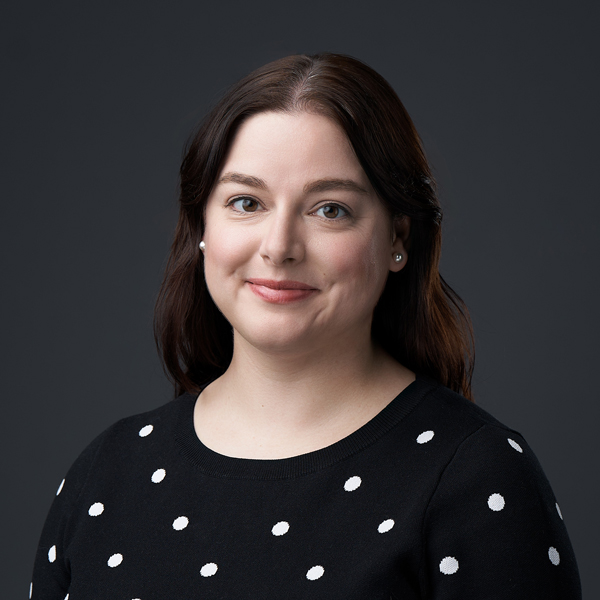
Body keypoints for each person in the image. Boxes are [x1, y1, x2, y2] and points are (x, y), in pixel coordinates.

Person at [30, 53, 581, 599]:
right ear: (202, 226)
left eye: (329, 209)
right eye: (246, 202)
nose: (279, 247)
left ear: (398, 238)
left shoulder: (478, 477)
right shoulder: (106, 474)